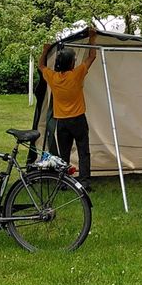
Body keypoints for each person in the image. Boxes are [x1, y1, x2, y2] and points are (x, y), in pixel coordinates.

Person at [38, 28, 98, 190]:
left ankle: (63, 182)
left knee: (63, 154)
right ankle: (84, 182)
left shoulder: (53, 77)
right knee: (83, 151)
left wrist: (45, 50)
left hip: (62, 122)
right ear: (71, 64)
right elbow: (92, 57)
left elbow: (41, 65)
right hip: (78, 120)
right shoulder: (76, 74)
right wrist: (92, 38)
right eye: (73, 60)